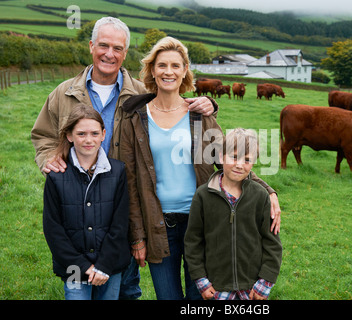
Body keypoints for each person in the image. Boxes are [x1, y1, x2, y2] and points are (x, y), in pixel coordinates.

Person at [31, 17, 217, 299]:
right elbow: (43, 134)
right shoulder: (64, 93)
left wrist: (210, 104)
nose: (109, 53)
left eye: (117, 48)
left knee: (126, 282)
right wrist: (48, 158)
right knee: (77, 279)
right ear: (92, 46)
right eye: (103, 45)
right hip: (78, 201)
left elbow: (174, 100)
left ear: (125, 53)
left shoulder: (141, 93)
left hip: (125, 202)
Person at [119, 36, 281, 300]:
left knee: (202, 299)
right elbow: (130, 181)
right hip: (159, 224)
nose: (168, 71)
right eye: (161, 65)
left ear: (185, 71)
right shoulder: (136, 118)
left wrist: (268, 190)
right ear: (152, 70)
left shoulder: (199, 115)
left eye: (175, 65)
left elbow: (227, 160)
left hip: (205, 221)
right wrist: (137, 235)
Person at [42, 104, 131, 300]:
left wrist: (103, 265)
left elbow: (120, 224)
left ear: (103, 134)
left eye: (94, 133)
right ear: (69, 136)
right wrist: (83, 266)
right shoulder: (56, 176)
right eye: (81, 134)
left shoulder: (117, 172)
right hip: (73, 265)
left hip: (110, 264)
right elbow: (53, 228)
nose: (88, 140)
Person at [184, 128, 282, 300]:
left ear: (253, 163)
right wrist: (201, 281)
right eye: (234, 157)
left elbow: (272, 243)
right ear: (221, 157)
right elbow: (193, 242)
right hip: (216, 288)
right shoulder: (203, 196)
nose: (239, 165)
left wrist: (265, 282)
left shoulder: (260, 196)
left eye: (247, 160)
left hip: (252, 289)